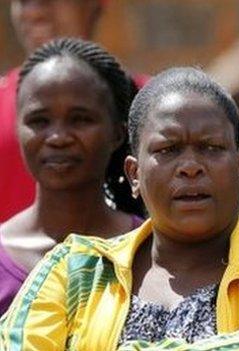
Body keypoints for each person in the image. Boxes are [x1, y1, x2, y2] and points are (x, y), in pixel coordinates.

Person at [0, 67, 239, 350]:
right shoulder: (75, 268)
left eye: (211, 147)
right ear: (134, 174)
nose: (191, 166)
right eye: (168, 149)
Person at [0, 38, 144, 315]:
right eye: (39, 121)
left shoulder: (153, 253)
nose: (58, 138)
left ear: (117, 133)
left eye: (80, 119)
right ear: (18, 130)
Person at [0, 0, 146, 222]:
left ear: (118, 132)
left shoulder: (159, 108)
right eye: (22, 1)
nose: (34, 10)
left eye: (80, 119)